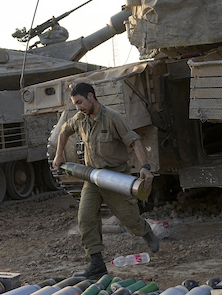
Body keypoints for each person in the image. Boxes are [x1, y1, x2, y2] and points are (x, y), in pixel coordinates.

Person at [52, 82, 160, 279]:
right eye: (75, 104)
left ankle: (145, 231)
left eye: (80, 102)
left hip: (116, 178)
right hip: (92, 179)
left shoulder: (113, 118)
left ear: (91, 97)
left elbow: (134, 141)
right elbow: (64, 131)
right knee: (85, 218)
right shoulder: (80, 118)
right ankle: (97, 264)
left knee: (130, 221)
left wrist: (145, 167)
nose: (78, 107)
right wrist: (59, 155)